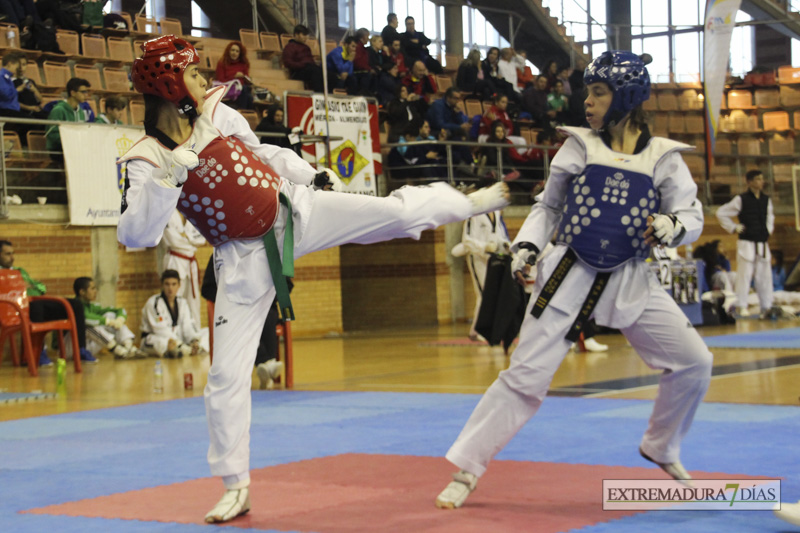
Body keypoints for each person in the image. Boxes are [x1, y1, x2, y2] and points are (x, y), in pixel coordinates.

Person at [116, 35, 509, 524]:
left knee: (390, 214)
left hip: (292, 210)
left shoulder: (219, 111)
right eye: (194, 74)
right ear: (171, 85)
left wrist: (310, 173)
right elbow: (136, 233)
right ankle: (236, 486)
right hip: (241, 261)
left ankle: (464, 202)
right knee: (224, 377)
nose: (205, 80)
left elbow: (264, 154)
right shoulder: (146, 158)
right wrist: (166, 179)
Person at [434, 51, 711, 510]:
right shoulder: (579, 145)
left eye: (598, 93)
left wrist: (673, 227)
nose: (587, 102)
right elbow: (549, 206)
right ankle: (467, 468)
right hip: (568, 274)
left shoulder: (664, 158)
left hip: (632, 278)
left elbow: (690, 215)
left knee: (694, 362)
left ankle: (662, 445)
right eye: (588, 92)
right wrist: (527, 245)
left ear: (626, 96)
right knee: (524, 377)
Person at [0, 239, 95, 365]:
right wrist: (22, 287)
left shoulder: (19, 271)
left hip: (35, 302)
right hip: (16, 308)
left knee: (75, 305)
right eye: (8, 254)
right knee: (36, 306)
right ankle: (39, 353)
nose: (12, 257)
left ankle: (80, 349)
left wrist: (30, 287)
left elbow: (41, 287)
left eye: (13, 253)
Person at [201, 255, 284, 390]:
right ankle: (267, 362)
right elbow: (207, 289)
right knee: (245, 322)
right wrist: (228, 298)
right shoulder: (221, 253)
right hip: (235, 307)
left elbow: (284, 284)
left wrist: (265, 296)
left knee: (268, 316)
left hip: (263, 305)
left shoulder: (265, 251)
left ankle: (265, 365)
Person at [716, 169, 774, 317]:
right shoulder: (741, 199)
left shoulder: (766, 200)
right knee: (744, 276)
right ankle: (742, 305)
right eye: (757, 179)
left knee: (765, 277)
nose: (761, 182)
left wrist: (767, 231)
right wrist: (734, 227)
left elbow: (770, 217)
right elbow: (721, 213)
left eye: (762, 179)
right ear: (749, 182)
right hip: (746, 243)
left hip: (762, 242)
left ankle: (766, 306)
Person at [451, 201, 511, 340]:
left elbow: (500, 235)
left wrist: (505, 245)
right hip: (477, 257)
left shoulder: (496, 212)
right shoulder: (474, 215)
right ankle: (482, 330)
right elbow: (467, 240)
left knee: (494, 293)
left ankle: (478, 330)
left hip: (494, 257)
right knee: (484, 292)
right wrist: (485, 247)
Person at [140, 269, 203, 359]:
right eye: (167, 284)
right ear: (162, 285)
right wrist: (179, 344)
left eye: (174, 284)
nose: (170, 288)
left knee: (206, 333)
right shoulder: (153, 303)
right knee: (164, 343)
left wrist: (193, 340)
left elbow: (187, 325)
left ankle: (184, 349)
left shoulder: (183, 303)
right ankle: (176, 350)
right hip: (155, 338)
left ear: (179, 285)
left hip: (178, 338)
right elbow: (159, 329)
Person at [73, 276, 141, 359]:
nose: (96, 291)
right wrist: (108, 321)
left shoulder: (92, 306)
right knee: (87, 325)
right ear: (82, 292)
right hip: (71, 347)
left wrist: (119, 320)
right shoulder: (74, 306)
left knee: (110, 315)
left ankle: (128, 346)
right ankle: (116, 349)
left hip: (86, 346)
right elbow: (85, 318)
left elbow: (119, 310)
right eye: (92, 288)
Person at [162, 210, 206, 327]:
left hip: (190, 263)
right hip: (175, 260)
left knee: (193, 301)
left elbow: (201, 239)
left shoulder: (191, 211)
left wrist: (185, 237)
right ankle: (174, 335)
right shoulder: (167, 211)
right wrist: (191, 240)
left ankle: (195, 336)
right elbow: (172, 240)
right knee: (174, 298)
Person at [45, 77, 91, 158]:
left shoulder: (81, 111)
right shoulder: (59, 110)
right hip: (58, 149)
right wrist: (70, 139)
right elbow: (51, 134)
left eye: (86, 92)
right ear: (73, 93)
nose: (86, 95)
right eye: (83, 92)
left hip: (75, 147)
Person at [282, 24, 324, 93]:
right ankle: (318, 93)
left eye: (306, 35)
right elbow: (288, 63)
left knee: (328, 74)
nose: (306, 37)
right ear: (296, 35)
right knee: (314, 71)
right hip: (297, 72)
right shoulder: (290, 47)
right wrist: (303, 65)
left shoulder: (306, 47)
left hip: (309, 68)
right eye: (304, 35)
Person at [214, 40, 254, 109]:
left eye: (237, 51)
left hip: (241, 89)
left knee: (249, 96)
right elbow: (221, 79)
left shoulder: (244, 64)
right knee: (245, 91)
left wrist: (245, 78)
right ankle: (242, 112)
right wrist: (234, 77)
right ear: (228, 51)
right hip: (227, 88)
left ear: (240, 53)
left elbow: (246, 78)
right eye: (232, 50)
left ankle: (245, 113)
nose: (234, 53)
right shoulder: (222, 62)